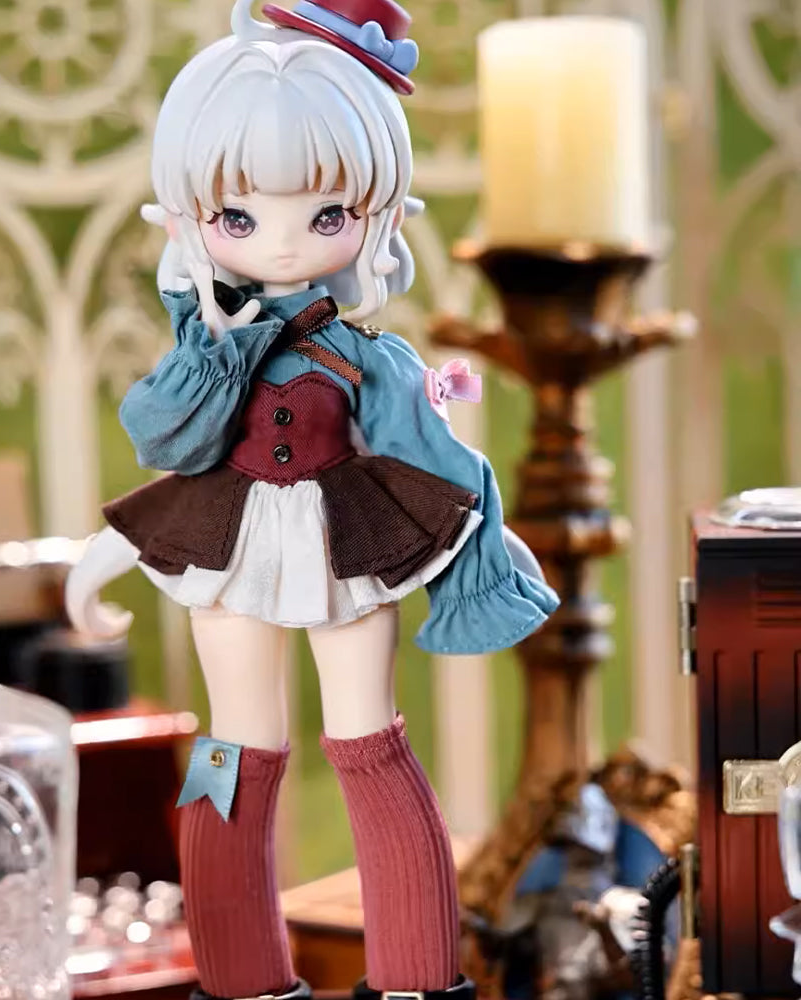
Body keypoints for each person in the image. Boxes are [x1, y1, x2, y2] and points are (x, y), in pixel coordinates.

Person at [66, 2, 560, 998]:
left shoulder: (372, 357)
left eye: (327, 215)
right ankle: (239, 977)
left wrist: (484, 548)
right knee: (228, 750)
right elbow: (165, 440)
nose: (285, 245)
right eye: (240, 217)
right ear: (191, 216)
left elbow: (441, 463)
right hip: (227, 544)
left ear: (375, 214)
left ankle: (416, 976)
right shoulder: (209, 347)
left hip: (346, 544)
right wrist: (212, 348)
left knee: (370, 746)